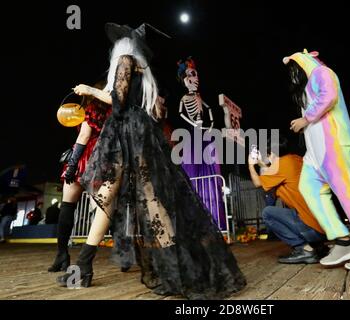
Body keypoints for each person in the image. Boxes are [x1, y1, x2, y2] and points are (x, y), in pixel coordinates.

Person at [56, 22, 246, 299]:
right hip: (139, 131)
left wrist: (89, 90)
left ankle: (87, 267)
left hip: (126, 133)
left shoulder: (124, 60)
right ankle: (86, 266)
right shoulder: (143, 71)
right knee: (135, 198)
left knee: (119, 198)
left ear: (123, 46)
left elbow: (118, 101)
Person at [283, 49, 350, 272]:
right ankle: (343, 241)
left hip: (334, 146)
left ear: (302, 65)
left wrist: (305, 119)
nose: (292, 76)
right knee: (309, 188)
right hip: (317, 155)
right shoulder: (307, 86)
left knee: (348, 195)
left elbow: (329, 95)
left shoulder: (321, 72)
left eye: (293, 69)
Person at [47, 84, 112, 272]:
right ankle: (124, 252)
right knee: (103, 208)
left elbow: (84, 135)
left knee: (68, 205)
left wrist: (73, 164)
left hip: (84, 156)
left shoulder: (91, 108)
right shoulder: (112, 111)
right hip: (103, 158)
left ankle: (62, 255)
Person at [248, 136, 328, 264]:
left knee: (268, 212)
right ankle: (319, 247)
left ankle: (304, 249)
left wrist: (251, 165)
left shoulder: (281, 165)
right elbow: (276, 173)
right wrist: (261, 164)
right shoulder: (295, 159)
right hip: (324, 226)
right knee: (297, 212)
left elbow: (258, 182)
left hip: (312, 228)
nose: (267, 159)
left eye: (268, 155)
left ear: (272, 153)